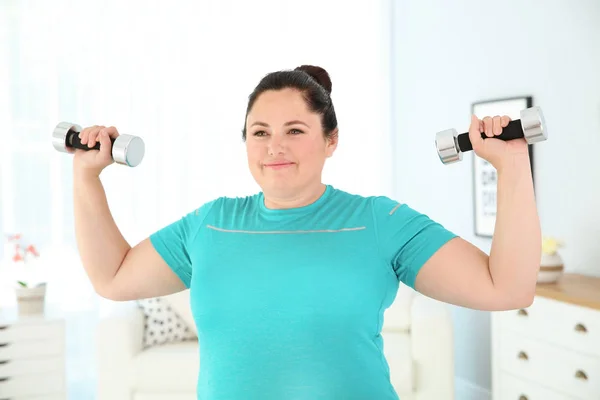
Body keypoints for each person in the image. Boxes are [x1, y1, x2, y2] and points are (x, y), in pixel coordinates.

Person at [72, 65, 541, 400]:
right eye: (259, 132)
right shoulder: (210, 224)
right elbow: (113, 277)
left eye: (295, 130)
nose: (274, 146)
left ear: (330, 139)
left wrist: (512, 164)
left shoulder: (379, 221)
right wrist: (86, 176)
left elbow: (508, 287)